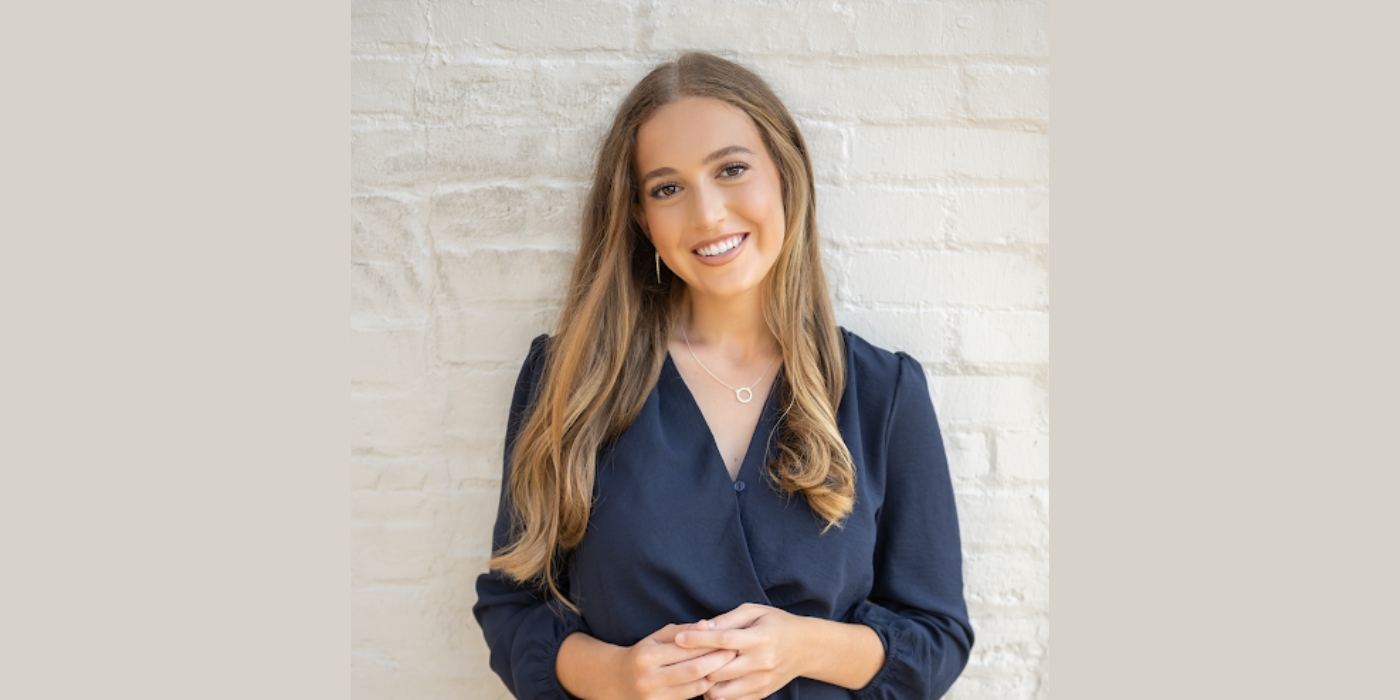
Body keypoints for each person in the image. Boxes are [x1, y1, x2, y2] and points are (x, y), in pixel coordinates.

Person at [473, 52, 973, 700]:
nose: (707, 214)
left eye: (731, 169)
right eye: (667, 188)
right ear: (639, 217)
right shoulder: (569, 379)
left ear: (785, 174)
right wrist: (619, 676)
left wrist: (802, 646)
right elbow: (511, 608)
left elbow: (937, 637)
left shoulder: (884, 394)